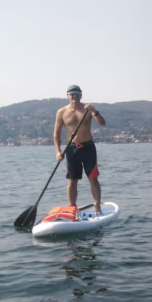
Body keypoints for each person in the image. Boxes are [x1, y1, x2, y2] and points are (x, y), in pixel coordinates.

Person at [53, 85, 106, 214]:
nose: (74, 96)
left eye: (77, 94)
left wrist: (95, 111)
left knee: (93, 178)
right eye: (71, 94)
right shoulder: (62, 112)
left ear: (81, 95)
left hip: (88, 148)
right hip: (72, 149)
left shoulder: (87, 109)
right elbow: (56, 134)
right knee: (72, 181)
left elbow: (102, 123)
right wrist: (58, 152)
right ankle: (72, 208)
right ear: (67, 95)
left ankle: (97, 207)